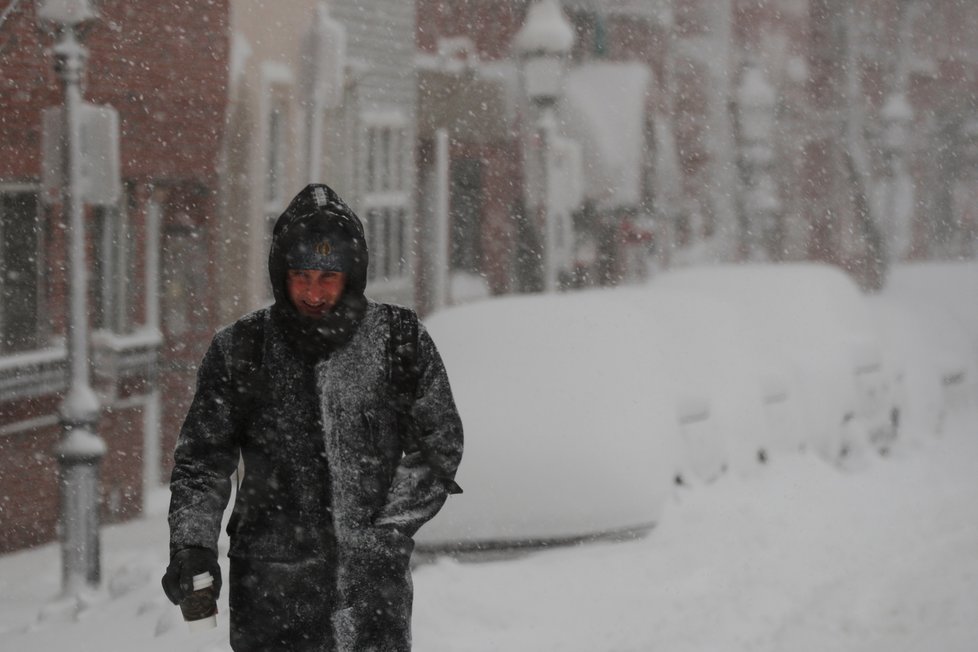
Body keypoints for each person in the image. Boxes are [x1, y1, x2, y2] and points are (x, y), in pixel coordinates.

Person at [161, 183, 464, 651]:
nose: (314, 293)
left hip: (371, 600)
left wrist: (387, 531)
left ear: (353, 275)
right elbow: (202, 461)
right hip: (270, 595)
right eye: (301, 276)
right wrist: (192, 544)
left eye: (328, 278)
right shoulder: (241, 349)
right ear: (281, 274)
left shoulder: (398, 340)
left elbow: (438, 445)